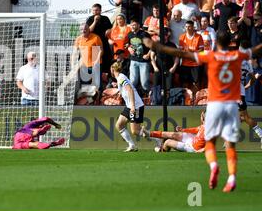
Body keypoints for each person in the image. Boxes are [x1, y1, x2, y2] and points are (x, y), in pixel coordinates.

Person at [143, 30, 262, 192]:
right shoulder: (237, 56)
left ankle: (213, 167)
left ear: (216, 43)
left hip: (215, 103)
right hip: (232, 102)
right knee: (231, 145)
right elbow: (257, 50)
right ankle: (232, 177)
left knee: (210, 142)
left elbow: (181, 53)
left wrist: (156, 46)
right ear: (230, 43)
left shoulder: (210, 55)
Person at [110, 61, 144, 152]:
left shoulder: (121, 77)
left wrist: (132, 106)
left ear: (112, 70)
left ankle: (156, 139)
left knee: (135, 131)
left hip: (135, 106)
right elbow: (125, 89)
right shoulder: (120, 79)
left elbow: (130, 90)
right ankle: (132, 145)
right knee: (119, 125)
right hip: (129, 106)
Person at [142, 110, 206, 153]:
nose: (200, 117)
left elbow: (211, 143)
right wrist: (183, 130)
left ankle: (161, 150)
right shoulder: (203, 125)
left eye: (201, 116)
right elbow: (196, 129)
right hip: (191, 140)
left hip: (192, 148)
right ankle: (149, 134)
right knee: (174, 134)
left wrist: (203, 150)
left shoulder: (209, 129)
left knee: (167, 142)